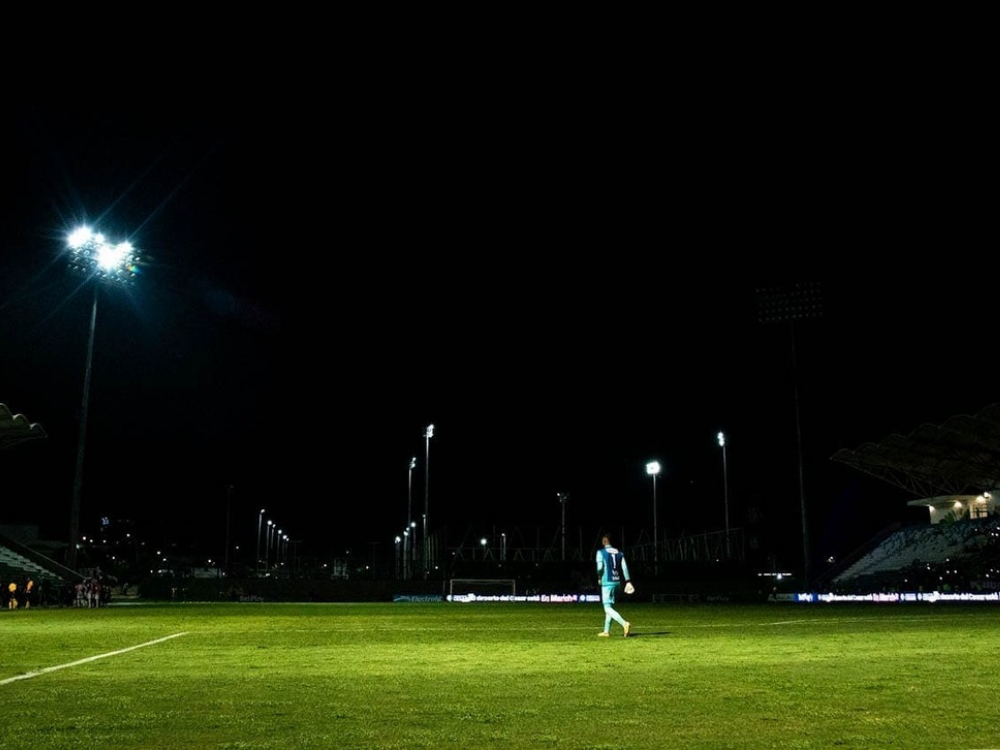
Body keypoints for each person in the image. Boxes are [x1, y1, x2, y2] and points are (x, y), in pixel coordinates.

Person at [596, 534, 631, 637]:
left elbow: (599, 568)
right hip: (617, 582)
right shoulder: (619, 553)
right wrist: (628, 581)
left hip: (607, 582)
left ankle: (624, 623)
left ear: (604, 541)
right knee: (610, 607)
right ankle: (606, 631)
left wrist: (599, 577)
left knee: (607, 608)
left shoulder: (601, 552)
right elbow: (624, 568)